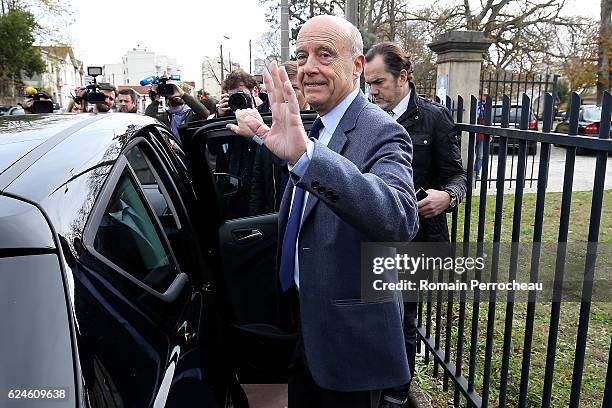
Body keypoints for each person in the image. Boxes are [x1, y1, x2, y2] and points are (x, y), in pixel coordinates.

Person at [227, 15, 419, 408]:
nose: (308, 67)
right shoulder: (317, 125)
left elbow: (399, 218)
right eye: (302, 55)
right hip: (306, 326)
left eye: (325, 54)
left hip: (348, 342)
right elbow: (312, 186)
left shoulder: (381, 130)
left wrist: (306, 157)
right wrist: (265, 137)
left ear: (357, 65)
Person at [365, 41, 467, 385]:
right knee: (376, 316)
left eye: (379, 82)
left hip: (418, 238)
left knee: (405, 319)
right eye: (369, 83)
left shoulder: (434, 118)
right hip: (374, 234)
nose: (372, 90)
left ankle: (398, 391)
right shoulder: (367, 117)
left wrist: (447, 196)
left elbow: (458, 175)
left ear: (403, 77)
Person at [248, 60, 310, 215]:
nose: (288, 94)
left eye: (294, 88)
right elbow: (258, 185)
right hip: (274, 218)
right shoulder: (269, 125)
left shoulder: (321, 124)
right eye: (282, 89)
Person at [144, 83, 210, 141]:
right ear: (167, 97)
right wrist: (156, 101)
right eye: (172, 92)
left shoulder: (191, 115)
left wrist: (183, 95)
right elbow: (147, 122)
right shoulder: (164, 117)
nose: (176, 95)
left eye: (178, 93)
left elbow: (204, 113)